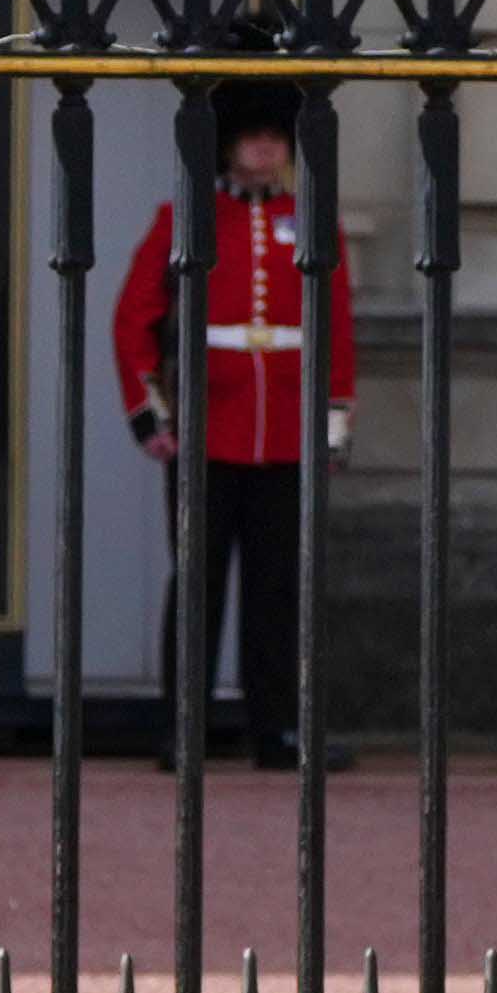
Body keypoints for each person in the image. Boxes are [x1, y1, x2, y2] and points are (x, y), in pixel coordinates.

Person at [107, 99, 356, 764]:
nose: (265, 149)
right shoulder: (183, 218)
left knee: (277, 588)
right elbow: (133, 317)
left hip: (284, 430)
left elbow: (334, 329)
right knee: (197, 582)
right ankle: (182, 728)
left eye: (274, 137)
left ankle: (274, 728)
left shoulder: (307, 220)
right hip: (205, 428)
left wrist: (329, 428)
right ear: (227, 148)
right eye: (253, 137)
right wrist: (151, 414)